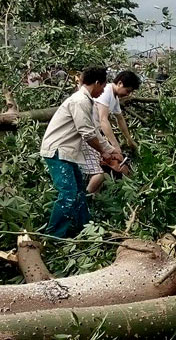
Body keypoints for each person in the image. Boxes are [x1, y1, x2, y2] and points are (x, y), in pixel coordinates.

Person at [40, 67, 122, 237]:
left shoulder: (86, 101)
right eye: (103, 86)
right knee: (68, 195)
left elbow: (93, 131)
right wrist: (104, 152)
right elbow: (87, 133)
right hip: (58, 151)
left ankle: (85, 229)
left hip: (66, 152)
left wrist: (109, 149)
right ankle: (54, 236)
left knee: (79, 192)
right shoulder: (80, 101)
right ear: (98, 83)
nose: (103, 91)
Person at [80, 70, 141, 193]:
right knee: (98, 172)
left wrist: (129, 139)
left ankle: (95, 197)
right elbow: (103, 121)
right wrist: (115, 146)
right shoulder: (106, 91)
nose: (128, 94)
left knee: (100, 170)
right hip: (89, 134)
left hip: (94, 133)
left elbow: (120, 119)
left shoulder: (114, 97)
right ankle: (87, 199)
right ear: (119, 83)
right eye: (128, 90)